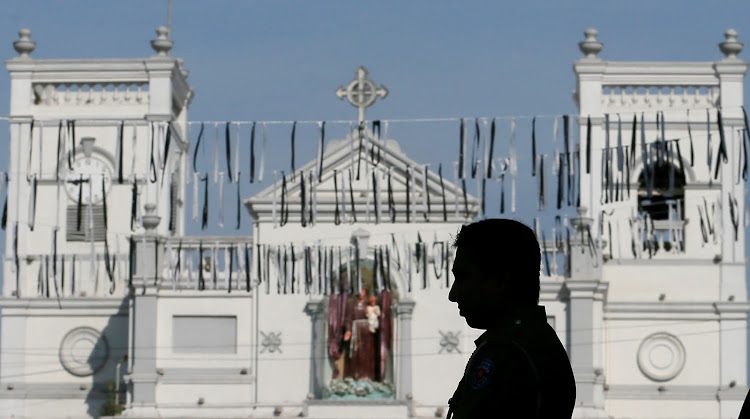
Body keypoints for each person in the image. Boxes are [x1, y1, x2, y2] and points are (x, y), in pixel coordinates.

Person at [446, 219, 576, 419]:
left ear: (499, 280)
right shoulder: (535, 341)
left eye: (464, 278)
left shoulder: (506, 351)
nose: (453, 294)